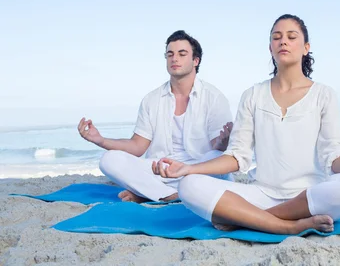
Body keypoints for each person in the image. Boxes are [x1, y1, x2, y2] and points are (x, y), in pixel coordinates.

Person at [152, 15, 340, 234]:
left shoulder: (324, 94)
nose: (283, 41)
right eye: (276, 37)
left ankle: (253, 219)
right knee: (189, 186)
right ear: (270, 48)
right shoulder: (252, 95)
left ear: (306, 47)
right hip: (261, 193)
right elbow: (236, 157)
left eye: (292, 37)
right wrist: (188, 169)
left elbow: (333, 153)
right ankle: (286, 226)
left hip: (310, 195)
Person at [77, 30, 233, 203]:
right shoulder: (152, 99)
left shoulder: (214, 97)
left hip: (196, 171)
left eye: (182, 54)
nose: (175, 59)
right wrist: (100, 140)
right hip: (159, 171)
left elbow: (218, 150)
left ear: (195, 61)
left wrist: (223, 143)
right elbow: (137, 146)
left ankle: (148, 193)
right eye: (170, 54)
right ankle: (171, 195)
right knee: (109, 160)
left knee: (217, 159)